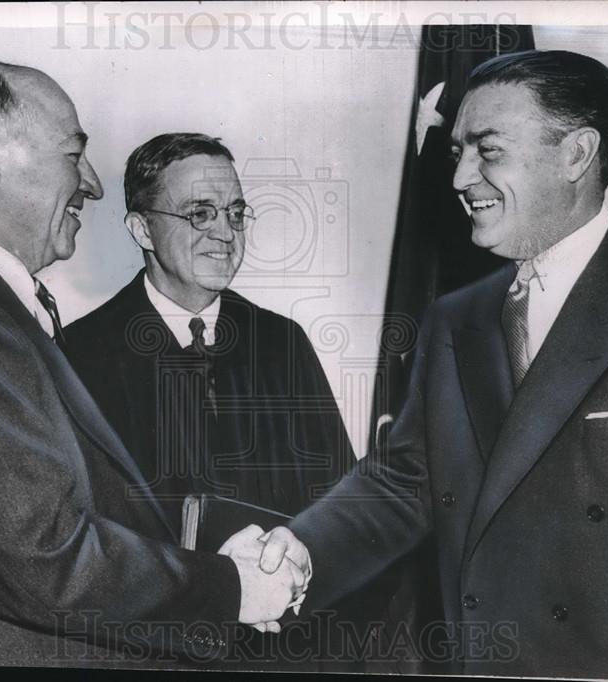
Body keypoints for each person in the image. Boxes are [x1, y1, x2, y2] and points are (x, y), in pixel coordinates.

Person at [0, 59, 301, 667]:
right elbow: (45, 556)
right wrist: (231, 588)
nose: (92, 183)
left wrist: (215, 563)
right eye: (73, 154)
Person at [254, 50, 608, 681]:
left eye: (488, 150)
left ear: (576, 154)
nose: (458, 178)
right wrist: (302, 548)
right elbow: (406, 480)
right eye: (457, 153)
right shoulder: (456, 317)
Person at [65, 133, 405, 670]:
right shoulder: (81, 354)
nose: (225, 233)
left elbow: (341, 507)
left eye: (236, 213)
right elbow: (80, 544)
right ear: (141, 228)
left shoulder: (282, 343)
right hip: (149, 655)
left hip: (283, 654)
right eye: (200, 214)